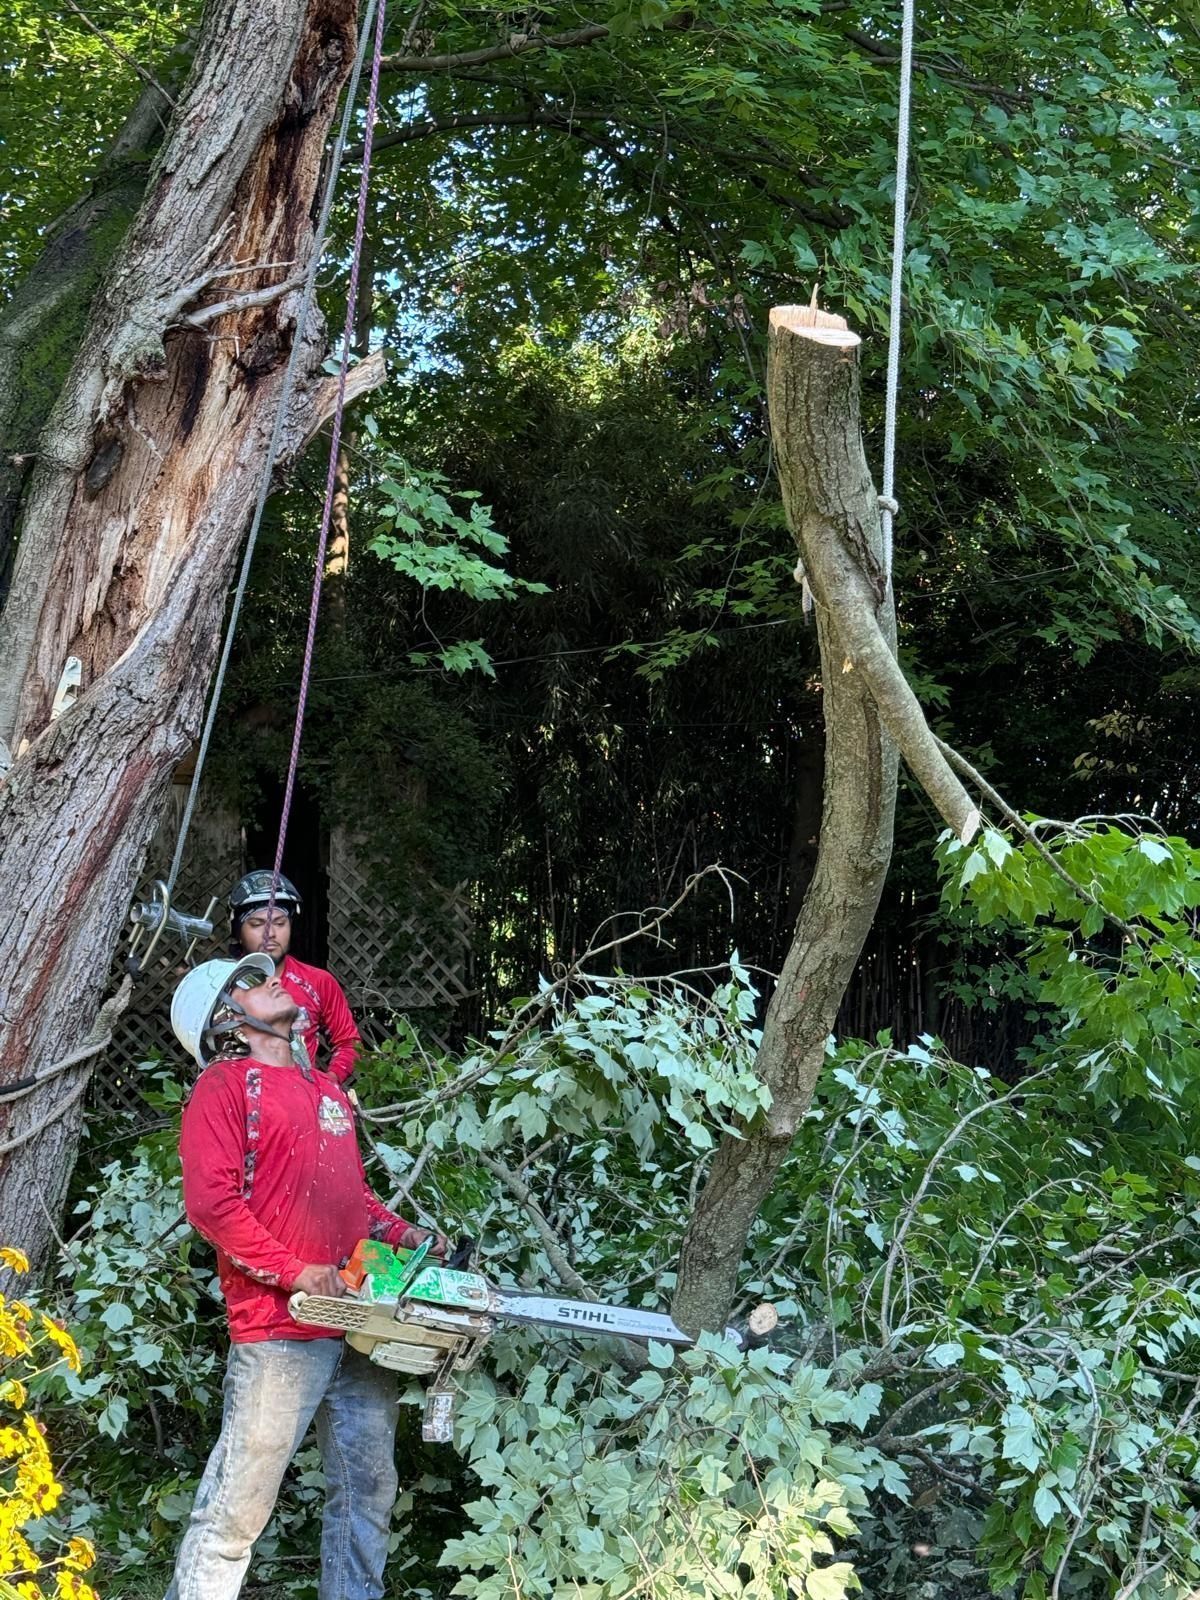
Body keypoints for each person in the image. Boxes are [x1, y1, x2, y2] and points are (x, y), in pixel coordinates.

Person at [165, 953, 447, 1600]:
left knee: (369, 1490)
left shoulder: (324, 1090)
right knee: (239, 1508)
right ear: (229, 1023)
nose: (269, 978)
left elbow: (354, 1197)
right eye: (247, 982)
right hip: (280, 1330)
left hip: (358, 1320)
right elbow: (213, 1205)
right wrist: (296, 1271)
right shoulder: (225, 1088)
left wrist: (403, 1233)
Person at [227, 869, 361, 1084]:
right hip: (240, 1100)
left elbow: (347, 1041)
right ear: (237, 931)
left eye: (280, 923)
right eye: (256, 924)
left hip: (301, 1099)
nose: (270, 933)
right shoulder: (219, 985)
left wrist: (330, 1081)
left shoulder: (318, 982)